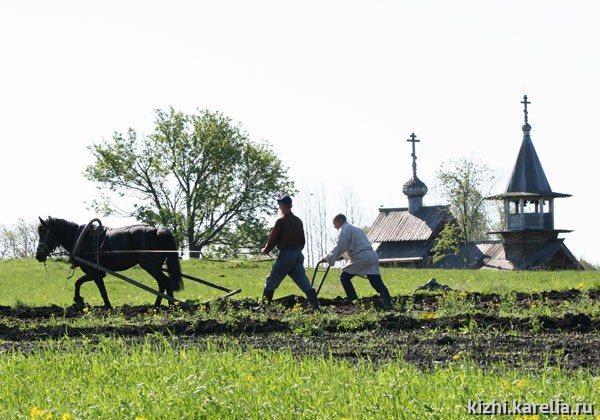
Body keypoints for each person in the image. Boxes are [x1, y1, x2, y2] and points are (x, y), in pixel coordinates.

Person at [258, 195, 320, 310]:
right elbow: (302, 241)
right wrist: (295, 252)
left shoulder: (281, 221)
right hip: (298, 254)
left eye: (279, 205)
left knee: (271, 280)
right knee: (303, 282)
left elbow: (273, 238)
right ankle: (315, 307)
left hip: (286, 255)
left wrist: (265, 250)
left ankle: (264, 307)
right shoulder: (298, 221)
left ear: (282, 206)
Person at [319, 213, 392, 309]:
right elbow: (354, 246)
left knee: (344, 277)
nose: (334, 227)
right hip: (371, 256)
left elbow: (341, 245)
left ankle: (354, 301)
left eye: (335, 224)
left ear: (339, 221)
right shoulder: (357, 229)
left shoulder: (344, 229)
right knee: (377, 283)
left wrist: (328, 258)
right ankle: (388, 303)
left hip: (360, 258)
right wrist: (341, 256)